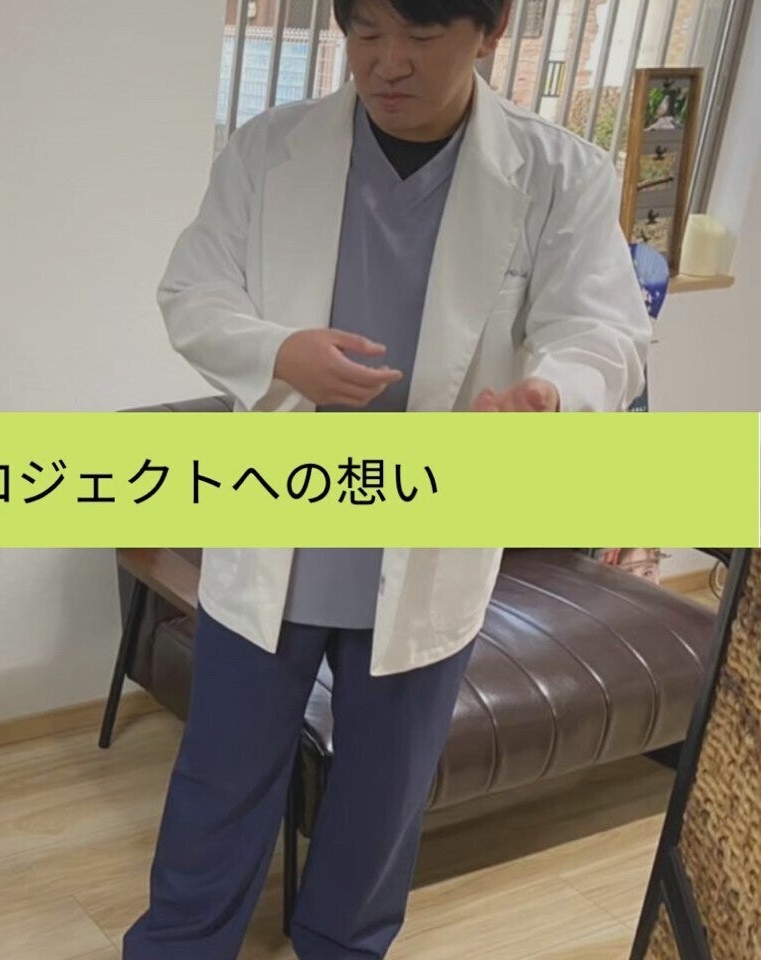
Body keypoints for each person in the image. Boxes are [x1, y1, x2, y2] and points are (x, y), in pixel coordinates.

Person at [123, 1, 649, 958]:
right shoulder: (267, 149)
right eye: (365, 33)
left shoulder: (559, 173)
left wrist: (553, 393)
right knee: (220, 777)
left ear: (489, 32)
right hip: (282, 526)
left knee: (383, 792)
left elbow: (603, 330)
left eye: (421, 36)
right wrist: (277, 352)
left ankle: (343, 946)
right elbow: (190, 293)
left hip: (429, 534)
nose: (386, 62)